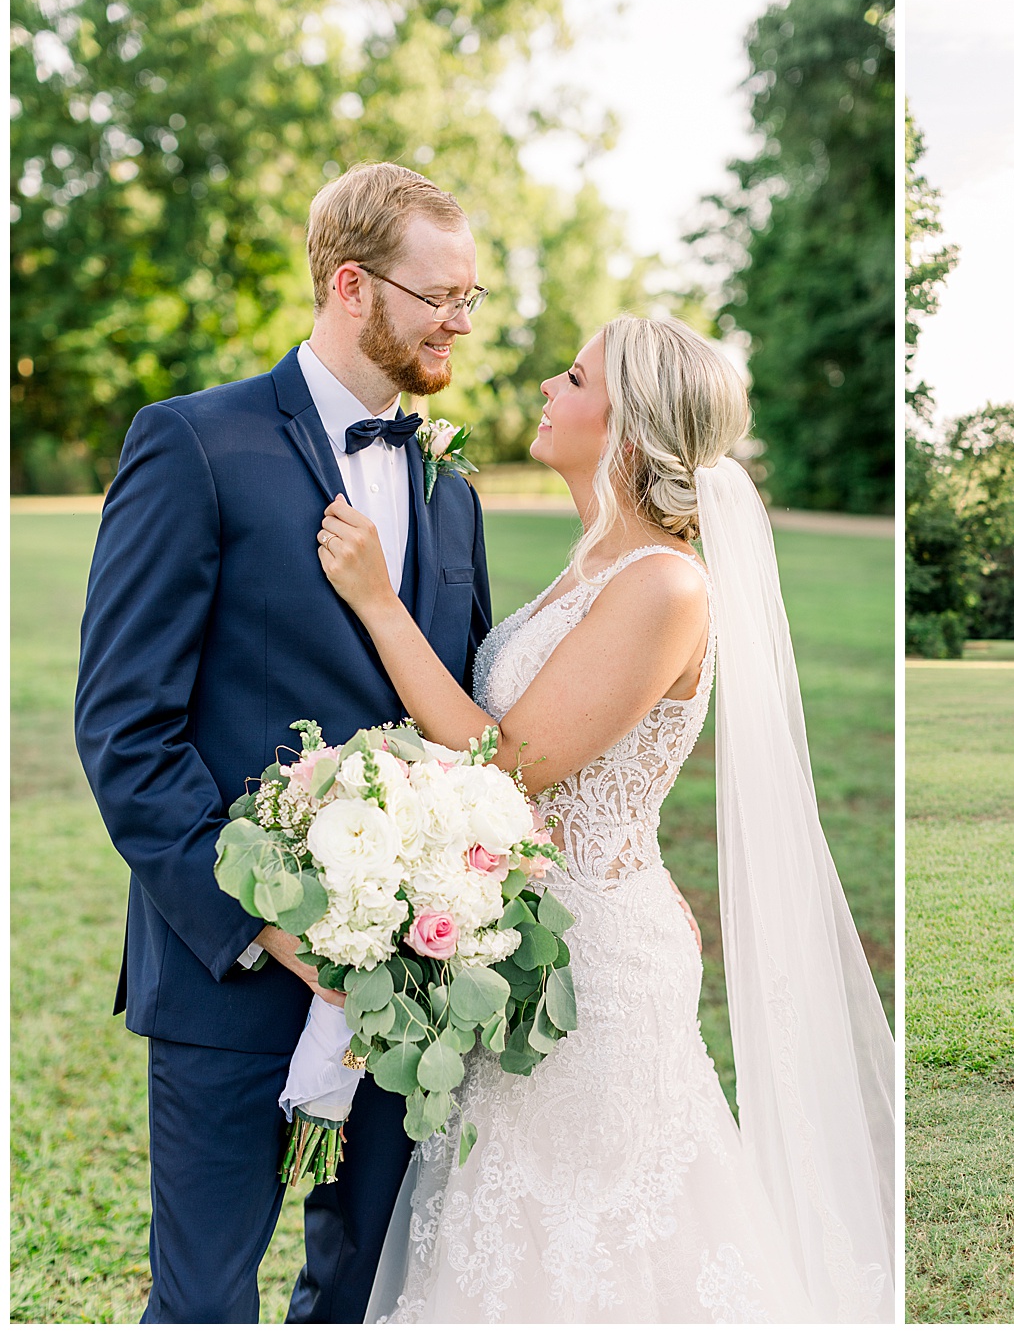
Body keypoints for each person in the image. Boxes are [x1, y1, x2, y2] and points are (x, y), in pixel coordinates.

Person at [314, 315, 895, 1321]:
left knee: (592, 1245)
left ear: (625, 424)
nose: (547, 383)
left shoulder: (664, 584)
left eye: (573, 375)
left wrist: (377, 603)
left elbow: (510, 764)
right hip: (521, 946)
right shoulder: (589, 566)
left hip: (595, 972)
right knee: (505, 1231)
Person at [74, 161, 494, 1321]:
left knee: (361, 1301)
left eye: (474, 297)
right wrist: (266, 922)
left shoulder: (449, 487)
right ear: (353, 285)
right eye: (441, 294)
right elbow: (126, 727)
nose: (463, 319)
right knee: (204, 1302)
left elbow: (452, 718)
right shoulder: (192, 444)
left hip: (408, 986)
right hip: (233, 977)